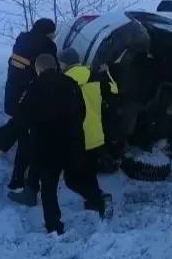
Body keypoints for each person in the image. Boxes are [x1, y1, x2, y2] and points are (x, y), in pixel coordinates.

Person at [9, 53, 108, 235]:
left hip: (46, 148)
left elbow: (22, 118)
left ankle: (54, 226)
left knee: (48, 189)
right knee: (74, 179)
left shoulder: (34, 88)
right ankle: (98, 200)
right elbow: (82, 112)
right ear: (55, 66)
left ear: (38, 69)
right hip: (72, 144)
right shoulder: (71, 84)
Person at [0, 18, 57, 191]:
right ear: (47, 33)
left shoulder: (22, 39)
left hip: (14, 90)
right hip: (30, 95)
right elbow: (51, 71)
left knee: (20, 122)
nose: (54, 36)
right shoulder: (47, 46)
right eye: (52, 33)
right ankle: (18, 179)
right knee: (27, 136)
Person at [59, 48, 115, 219]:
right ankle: (94, 202)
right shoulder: (95, 75)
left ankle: (99, 199)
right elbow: (114, 90)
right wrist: (107, 73)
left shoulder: (64, 81)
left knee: (71, 179)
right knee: (88, 172)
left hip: (77, 137)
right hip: (96, 135)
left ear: (65, 63)